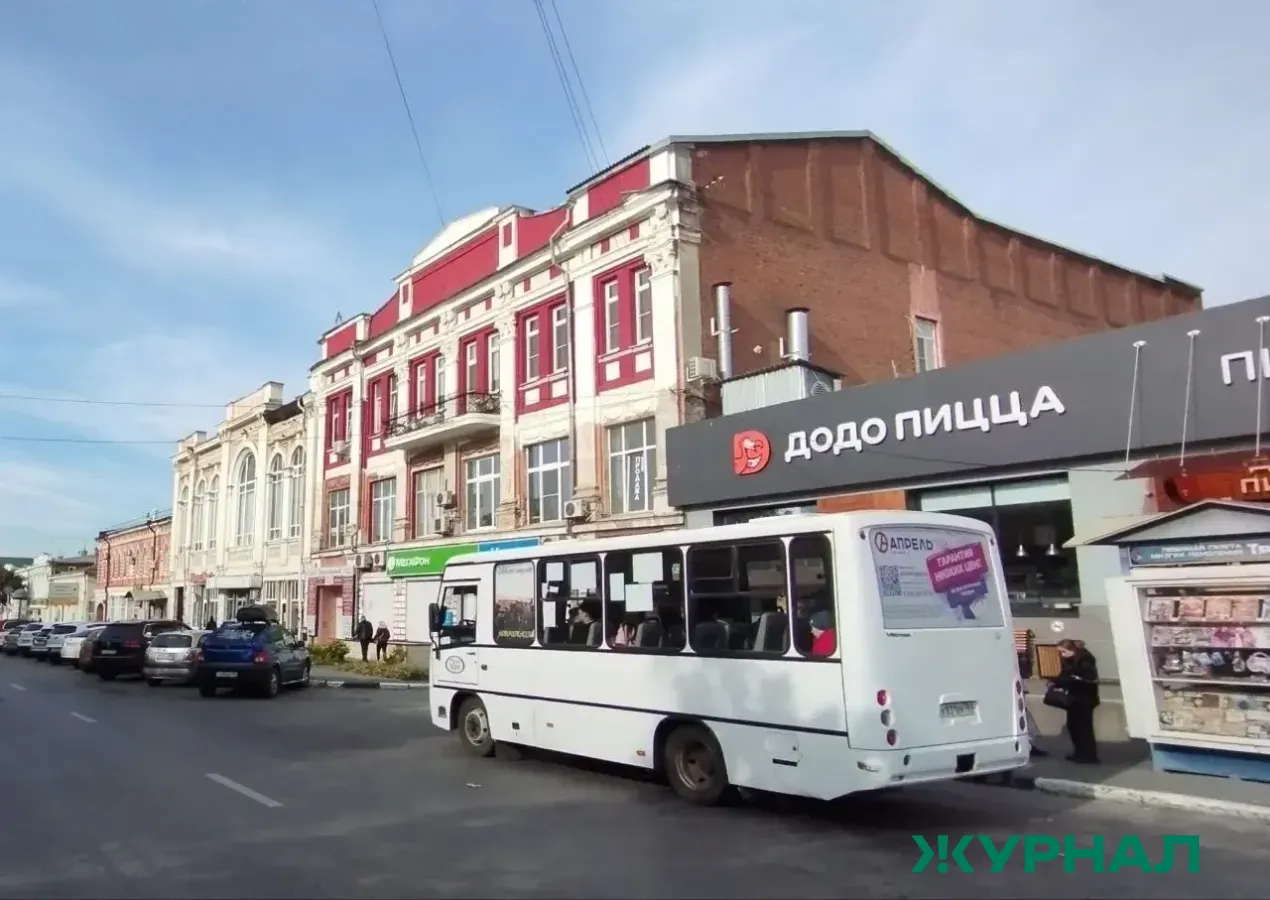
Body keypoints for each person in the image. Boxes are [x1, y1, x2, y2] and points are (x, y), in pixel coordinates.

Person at [1053, 638, 1100, 764]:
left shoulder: (1084, 659)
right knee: (1073, 726)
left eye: (1063, 652)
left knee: (1083, 728)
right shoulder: (1071, 659)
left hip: (1084, 698)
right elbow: (1066, 674)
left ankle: (1088, 755)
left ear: (1072, 650)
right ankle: (1079, 752)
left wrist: (1065, 680)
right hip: (1075, 698)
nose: (1062, 655)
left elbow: (1087, 678)